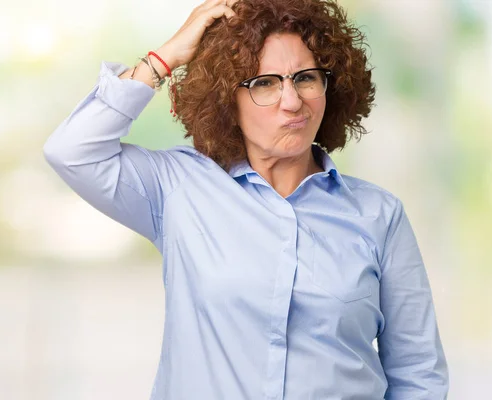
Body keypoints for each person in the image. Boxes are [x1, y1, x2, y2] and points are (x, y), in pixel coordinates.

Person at [43, 0, 449, 398]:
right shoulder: (177, 189)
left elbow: (419, 375)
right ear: (226, 100)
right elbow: (73, 150)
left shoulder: (379, 215)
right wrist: (163, 59)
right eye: (264, 83)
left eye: (306, 78)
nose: (292, 102)